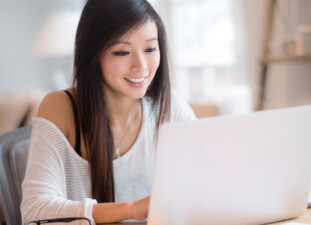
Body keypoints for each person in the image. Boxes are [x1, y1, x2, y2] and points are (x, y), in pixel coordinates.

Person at [21, 0, 196, 224]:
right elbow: (34, 211)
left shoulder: (169, 106)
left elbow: (204, 177)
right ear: (93, 54)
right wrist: (132, 209)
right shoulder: (60, 107)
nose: (141, 66)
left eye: (150, 49)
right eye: (122, 52)